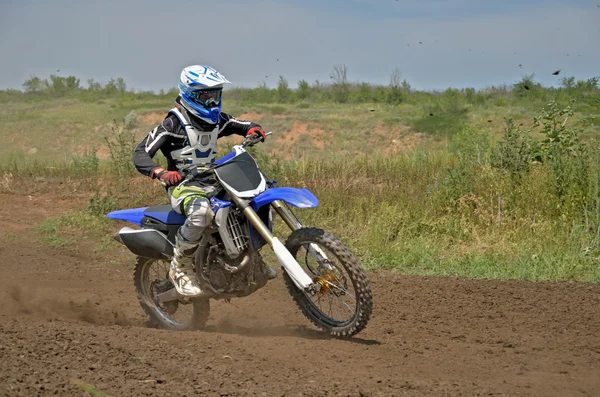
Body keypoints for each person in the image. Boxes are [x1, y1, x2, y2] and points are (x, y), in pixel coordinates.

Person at [133, 65, 274, 297]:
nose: (211, 102)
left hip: (213, 180)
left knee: (247, 202)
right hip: (184, 186)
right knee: (201, 214)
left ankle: (252, 260)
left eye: (214, 95)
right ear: (189, 94)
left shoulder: (216, 120)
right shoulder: (173, 124)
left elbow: (241, 124)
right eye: (205, 96)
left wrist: (253, 129)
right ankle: (180, 267)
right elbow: (140, 152)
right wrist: (160, 172)